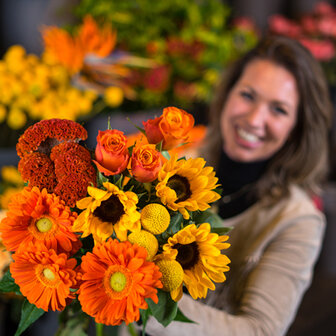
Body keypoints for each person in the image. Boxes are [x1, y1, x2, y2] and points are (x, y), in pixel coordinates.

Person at [141, 35, 333, 336]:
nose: (255, 119)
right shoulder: (173, 165)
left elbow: (260, 330)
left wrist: (139, 298)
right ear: (226, 94)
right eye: (247, 95)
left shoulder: (297, 220)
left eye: (279, 110)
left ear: (298, 128)